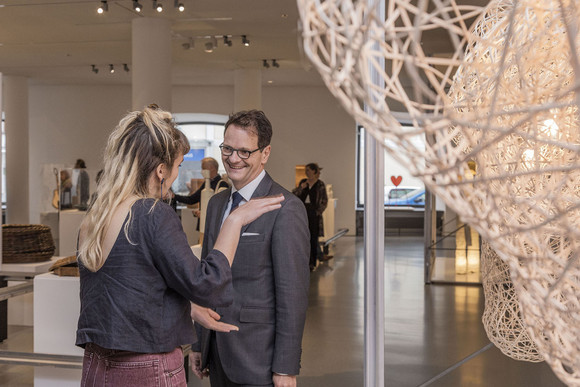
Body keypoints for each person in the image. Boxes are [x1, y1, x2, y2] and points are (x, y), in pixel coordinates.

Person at [75, 105, 284, 386]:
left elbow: (126, 295)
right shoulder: (152, 214)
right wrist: (235, 222)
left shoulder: (96, 217)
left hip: (96, 365)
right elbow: (207, 285)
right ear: (161, 170)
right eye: (178, 166)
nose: (176, 174)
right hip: (147, 366)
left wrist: (187, 309)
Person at [191, 110, 310, 387]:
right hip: (217, 352)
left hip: (259, 358)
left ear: (264, 153)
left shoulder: (285, 208)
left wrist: (286, 367)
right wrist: (199, 342)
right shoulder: (217, 204)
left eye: (244, 152)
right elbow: (206, 279)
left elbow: (292, 296)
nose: (233, 158)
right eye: (228, 148)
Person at [292, 163, 328, 271]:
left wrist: (318, 212)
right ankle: (305, 261)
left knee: (313, 237)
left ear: (314, 171)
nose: (306, 172)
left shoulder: (320, 184)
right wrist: (301, 188)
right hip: (303, 212)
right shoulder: (303, 182)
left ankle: (312, 262)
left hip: (314, 213)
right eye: (306, 170)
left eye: (308, 170)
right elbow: (294, 194)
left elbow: (324, 200)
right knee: (303, 237)